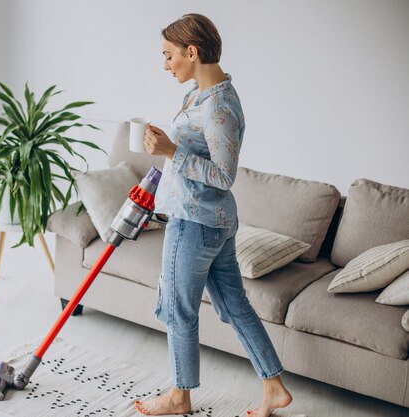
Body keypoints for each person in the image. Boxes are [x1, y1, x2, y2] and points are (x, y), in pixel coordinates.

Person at [134, 14, 293, 417]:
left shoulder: (219, 106)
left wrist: (171, 152)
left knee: (178, 308)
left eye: (169, 55)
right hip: (209, 223)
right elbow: (195, 155)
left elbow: (224, 176)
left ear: (192, 51)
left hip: (196, 223)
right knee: (233, 305)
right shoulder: (199, 95)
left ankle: (178, 397)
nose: (165, 64)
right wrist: (168, 151)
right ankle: (274, 387)